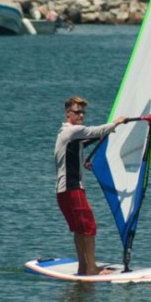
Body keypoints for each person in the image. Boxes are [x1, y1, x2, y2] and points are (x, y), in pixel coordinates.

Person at [55, 95, 129, 276]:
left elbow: (85, 141)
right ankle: (92, 268)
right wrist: (116, 123)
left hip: (63, 192)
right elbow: (94, 131)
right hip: (73, 189)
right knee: (89, 228)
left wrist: (103, 136)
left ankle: (83, 267)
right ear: (68, 114)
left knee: (80, 229)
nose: (81, 115)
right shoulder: (72, 131)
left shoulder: (67, 134)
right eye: (77, 112)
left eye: (83, 112)